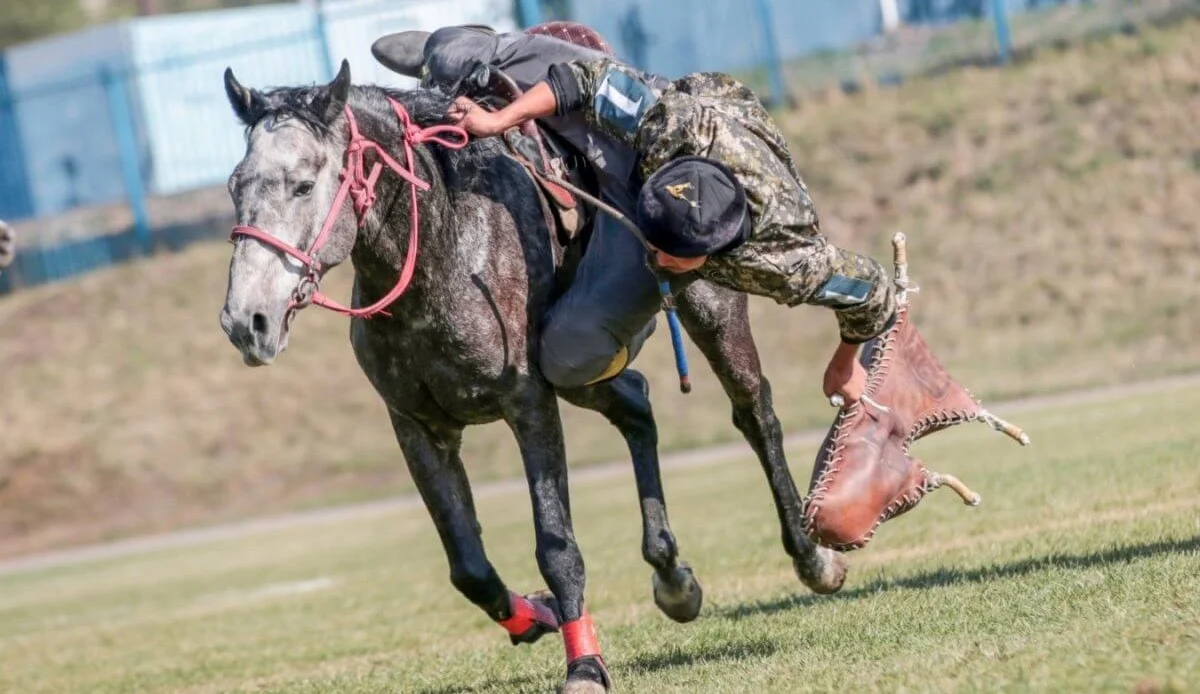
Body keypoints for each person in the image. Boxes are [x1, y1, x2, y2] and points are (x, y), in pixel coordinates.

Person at [376, 27, 895, 402]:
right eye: (650, 235)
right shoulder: (670, 127)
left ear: (708, 256)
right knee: (464, 63)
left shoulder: (784, 261)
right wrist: (498, 120)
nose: (653, 248)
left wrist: (846, 360)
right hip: (654, 145)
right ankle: (472, 46)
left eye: (664, 250)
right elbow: (585, 81)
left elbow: (874, 290)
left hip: (693, 186)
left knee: (566, 359)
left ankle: (632, 329)